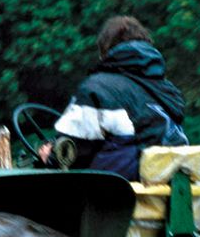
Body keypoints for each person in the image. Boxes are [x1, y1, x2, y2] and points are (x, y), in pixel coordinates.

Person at [41, 16, 187, 178]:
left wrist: (51, 156)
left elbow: (72, 150)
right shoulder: (168, 91)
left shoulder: (97, 88)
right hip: (166, 192)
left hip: (116, 196)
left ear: (105, 51)